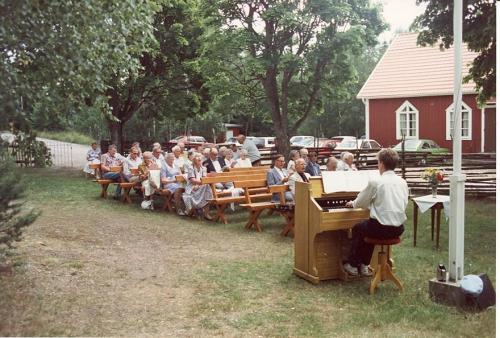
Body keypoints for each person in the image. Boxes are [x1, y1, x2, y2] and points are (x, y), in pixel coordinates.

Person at [343, 148, 408, 277]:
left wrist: (352, 203)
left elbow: (361, 203)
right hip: (398, 228)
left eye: (378, 162)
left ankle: (353, 265)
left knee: (359, 228)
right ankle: (364, 265)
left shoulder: (376, 182)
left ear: (382, 164)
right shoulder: (403, 182)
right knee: (367, 226)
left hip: (380, 229)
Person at [183, 154, 213, 220]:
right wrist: (201, 183)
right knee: (207, 187)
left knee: (207, 188)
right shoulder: (191, 168)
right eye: (198, 160)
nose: (200, 161)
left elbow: (204, 178)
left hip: (201, 186)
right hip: (192, 187)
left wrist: (201, 183)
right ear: (194, 160)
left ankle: (206, 213)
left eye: (200, 160)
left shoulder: (204, 168)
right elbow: (192, 180)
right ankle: (199, 211)